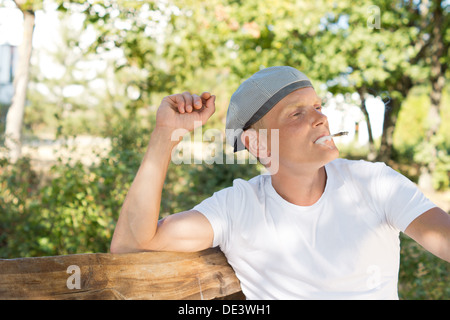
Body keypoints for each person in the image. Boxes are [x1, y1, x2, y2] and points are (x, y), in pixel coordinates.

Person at [110, 66, 450, 299]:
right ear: (259, 144)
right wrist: (165, 135)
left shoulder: (375, 183)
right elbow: (131, 245)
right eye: (297, 113)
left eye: (318, 106)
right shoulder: (237, 207)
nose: (322, 119)